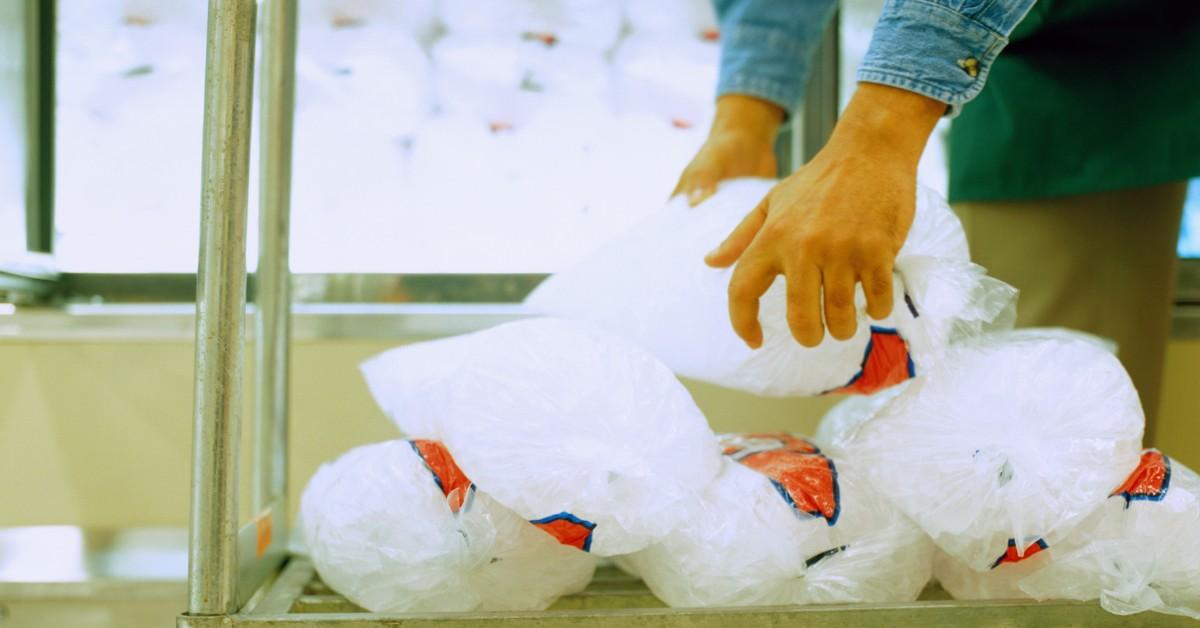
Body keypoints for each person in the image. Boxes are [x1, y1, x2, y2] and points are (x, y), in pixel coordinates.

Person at [675, 0, 1200, 437]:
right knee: (988, 421)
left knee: (1059, 439)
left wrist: (875, 137)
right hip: (1023, 82)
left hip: (1099, 76)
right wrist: (745, 118)